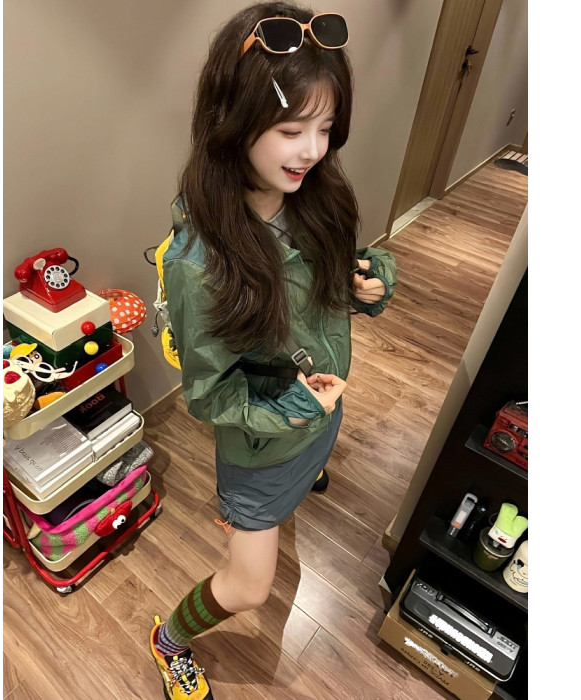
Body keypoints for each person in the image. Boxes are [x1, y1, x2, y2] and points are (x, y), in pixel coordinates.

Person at [148, 3, 397, 698]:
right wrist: (297, 407)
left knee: (306, 477)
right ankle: (169, 639)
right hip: (262, 448)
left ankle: (300, 481)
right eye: (291, 130)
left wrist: (370, 282)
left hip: (320, 419)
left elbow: (344, 268)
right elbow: (209, 395)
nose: (313, 150)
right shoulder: (200, 264)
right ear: (233, 121)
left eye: (326, 128)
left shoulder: (317, 194)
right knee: (250, 587)